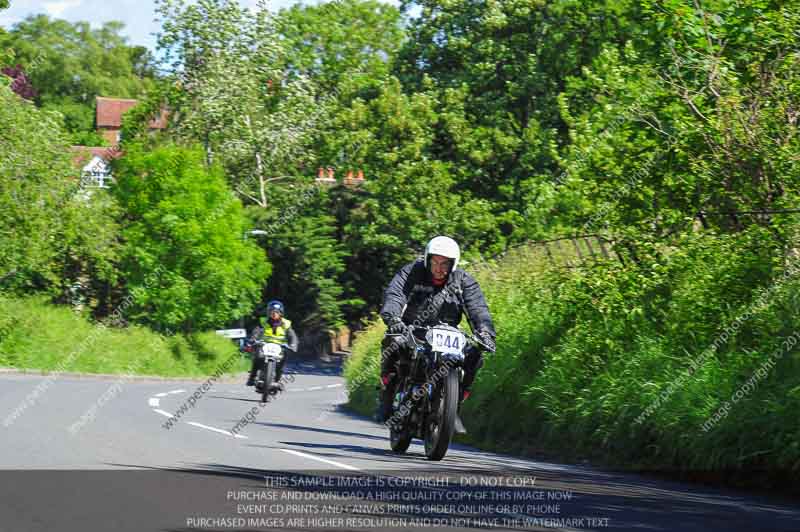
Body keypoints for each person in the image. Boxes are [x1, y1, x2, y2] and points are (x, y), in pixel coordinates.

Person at [377, 236, 497, 423]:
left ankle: (456, 400)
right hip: (413, 329)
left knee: (475, 354)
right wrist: (393, 317)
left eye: (445, 264)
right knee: (393, 341)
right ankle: (387, 394)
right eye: (435, 262)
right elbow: (396, 293)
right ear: (427, 259)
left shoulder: (463, 280)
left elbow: (478, 308)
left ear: (453, 264)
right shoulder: (412, 272)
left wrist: (485, 333)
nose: (439, 269)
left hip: (448, 332)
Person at [245, 300, 298, 387]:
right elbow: (257, 331)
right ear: (268, 312)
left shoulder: (286, 323)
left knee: (282, 360)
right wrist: (253, 340)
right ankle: (252, 377)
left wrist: (293, 345)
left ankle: (277, 380)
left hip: (280, 346)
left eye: (276, 312)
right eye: (272, 312)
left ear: (281, 313)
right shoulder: (263, 321)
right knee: (257, 356)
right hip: (264, 344)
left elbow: (292, 336)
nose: (274, 314)